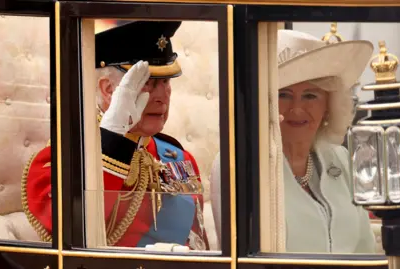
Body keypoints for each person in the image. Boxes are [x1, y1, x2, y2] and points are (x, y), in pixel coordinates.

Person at [21, 20, 209, 250]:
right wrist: (111, 140)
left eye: (166, 81)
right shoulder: (59, 161)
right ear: (107, 89)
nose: (161, 96)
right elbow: (70, 230)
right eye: (148, 83)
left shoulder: (179, 158)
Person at [211, 30, 377, 253]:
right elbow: (243, 258)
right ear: (263, 100)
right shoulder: (239, 165)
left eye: (310, 96)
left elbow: (365, 249)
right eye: (283, 95)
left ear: (329, 104)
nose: (297, 109)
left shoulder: (341, 159)